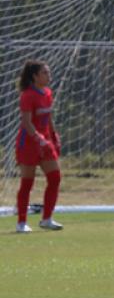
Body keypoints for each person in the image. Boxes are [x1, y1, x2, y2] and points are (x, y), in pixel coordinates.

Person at [15, 60, 63, 233]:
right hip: (28, 143)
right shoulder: (27, 95)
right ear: (35, 76)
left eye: (48, 72)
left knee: (55, 177)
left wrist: (54, 136)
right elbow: (27, 123)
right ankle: (21, 223)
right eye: (45, 73)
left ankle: (47, 219)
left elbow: (48, 118)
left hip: (44, 141)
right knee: (27, 183)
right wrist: (38, 139)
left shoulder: (48, 92)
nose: (48, 76)